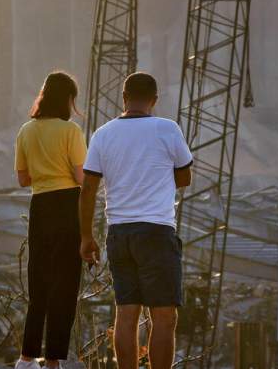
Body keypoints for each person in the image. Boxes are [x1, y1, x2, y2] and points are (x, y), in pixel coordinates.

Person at [79, 72, 193, 369]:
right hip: (156, 232)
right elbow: (185, 177)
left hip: (119, 234)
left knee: (126, 315)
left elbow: (88, 188)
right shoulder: (167, 129)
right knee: (164, 317)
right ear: (154, 100)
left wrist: (86, 237)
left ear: (124, 98)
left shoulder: (102, 134)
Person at [15, 71, 88, 369]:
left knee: (39, 283)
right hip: (68, 205)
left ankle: (26, 358)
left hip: (39, 205)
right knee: (65, 284)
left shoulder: (26, 131)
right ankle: (54, 362)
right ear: (68, 99)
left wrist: (43, 171)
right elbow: (82, 177)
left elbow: (22, 178)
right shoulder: (70, 132)